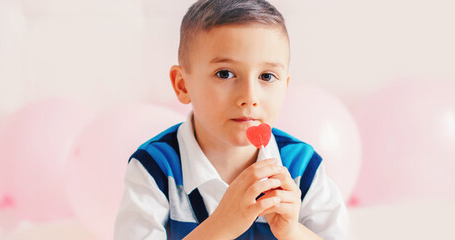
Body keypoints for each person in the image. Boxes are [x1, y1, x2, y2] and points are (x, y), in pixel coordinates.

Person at [114, 0, 350, 239]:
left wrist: (292, 231)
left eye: (267, 76)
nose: (249, 97)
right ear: (182, 84)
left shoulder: (302, 167)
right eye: (224, 74)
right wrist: (222, 225)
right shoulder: (154, 169)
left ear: (285, 87)